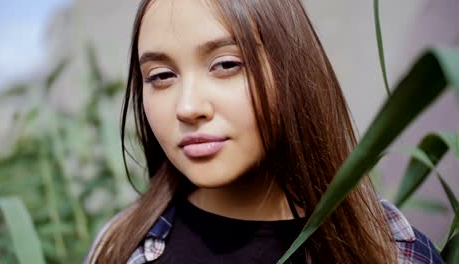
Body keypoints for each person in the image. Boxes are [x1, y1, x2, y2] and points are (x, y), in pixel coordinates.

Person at [87, 0, 444, 263]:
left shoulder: (392, 250)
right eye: (161, 76)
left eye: (226, 64)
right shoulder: (117, 247)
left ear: (291, 69)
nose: (188, 107)